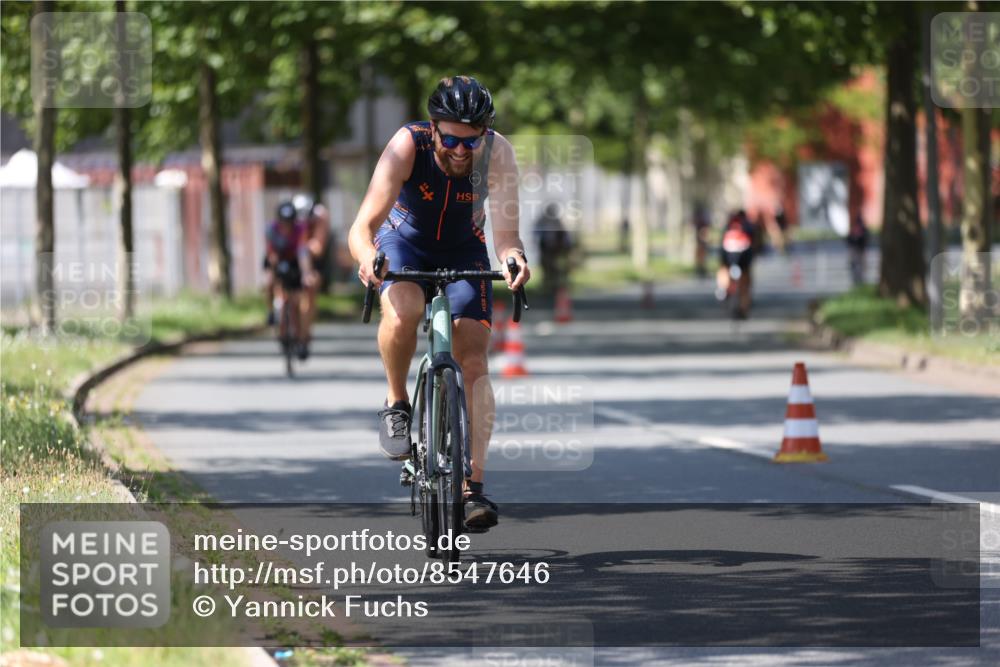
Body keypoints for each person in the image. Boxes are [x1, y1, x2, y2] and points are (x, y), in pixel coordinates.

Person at [347, 76, 530, 531]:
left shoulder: (499, 153)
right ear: (432, 129)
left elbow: (507, 237)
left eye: (472, 140)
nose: (462, 151)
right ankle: (396, 401)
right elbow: (362, 226)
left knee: (474, 360)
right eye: (450, 139)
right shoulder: (406, 145)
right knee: (404, 312)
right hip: (403, 244)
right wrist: (370, 259)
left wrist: (513, 260)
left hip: (464, 249)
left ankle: (473, 487)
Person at [265, 201, 315, 359]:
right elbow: (271, 254)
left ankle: (300, 338)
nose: (287, 226)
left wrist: (306, 273)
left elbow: (302, 252)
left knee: (297, 300)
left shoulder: (300, 229)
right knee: (270, 281)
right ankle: (271, 311)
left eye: (290, 222)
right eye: (284, 222)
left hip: (295, 261)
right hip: (277, 259)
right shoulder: (272, 230)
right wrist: (274, 272)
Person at [292, 193, 331, 358]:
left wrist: (302, 248)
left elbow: (318, 248)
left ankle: (304, 335)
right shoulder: (289, 215)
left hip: (314, 260)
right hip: (293, 257)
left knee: (309, 292)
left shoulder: (320, 215)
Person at [715, 210, 756, 318]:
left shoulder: (728, 227)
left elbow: (722, 248)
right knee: (745, 281)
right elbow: (754, 243)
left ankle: (722, 288)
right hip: (744, 255)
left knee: (724, 269)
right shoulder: (749, 226)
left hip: (729, 254)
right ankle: (743, 305)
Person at [535, 203, 572, 293]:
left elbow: (564, 236)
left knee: (556, 268)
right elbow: (537, 234)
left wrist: (566, 247)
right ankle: (547, 287)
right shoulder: (541, 221)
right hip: (546, 249)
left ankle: (557, 287)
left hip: (556, 250)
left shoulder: (557, 221)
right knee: (546, 268)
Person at [846, 212, 868, 286]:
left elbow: (849, 239)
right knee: (858, 265)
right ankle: (858, 278)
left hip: (858, 249)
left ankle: (859, 279)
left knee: (858, 265)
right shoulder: (861, 229)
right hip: (858, 249)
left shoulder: (858, 229)